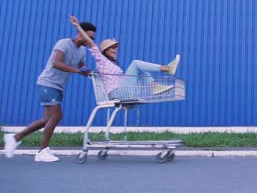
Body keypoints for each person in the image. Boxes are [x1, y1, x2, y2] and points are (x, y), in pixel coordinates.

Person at [3, 21, 96, 162]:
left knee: (47, 119)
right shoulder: (64, 43)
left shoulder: (82, 51)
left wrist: (87, 71)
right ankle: (42, 151)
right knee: (57, 116)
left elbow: (81, 65)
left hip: (58, 86)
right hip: (47, 83)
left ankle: (15, 137)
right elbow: (56, 63)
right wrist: (78, 71)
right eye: (89, 37)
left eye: (93, 39)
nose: (91, 41)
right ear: (80, 33)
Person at [68, 15, 180, 101]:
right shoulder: (101, 60)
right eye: (112, 48)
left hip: (124, 92)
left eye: (115, 48)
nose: (115, 50)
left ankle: (155, 86)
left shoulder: (113, 64)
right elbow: (90, 42)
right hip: (117, 93)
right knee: (136, 63)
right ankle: (167, 69)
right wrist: (77, 26)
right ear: (105, 51)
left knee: (141, 71)